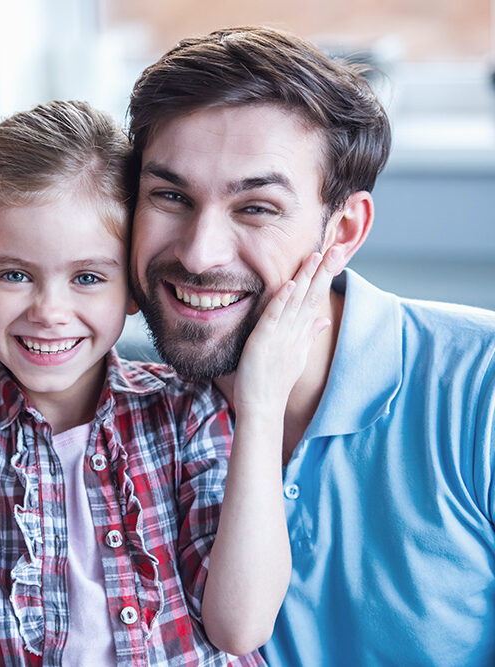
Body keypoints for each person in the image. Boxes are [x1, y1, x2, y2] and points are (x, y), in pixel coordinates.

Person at [0, 99, 341, 665]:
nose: (49, 311)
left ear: (133, 290)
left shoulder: (184, 412)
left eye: (88, 278)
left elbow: (240, 627)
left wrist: (260, 406)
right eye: (14, 275)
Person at [127, 25, 495, 666]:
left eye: (257, 208)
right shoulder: (116, 411)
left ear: (343, 230)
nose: (198, 253)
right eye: (170, 196)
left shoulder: (480, 386)